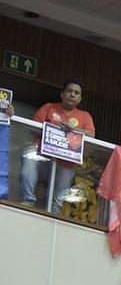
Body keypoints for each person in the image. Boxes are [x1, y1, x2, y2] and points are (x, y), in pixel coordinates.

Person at [21, 78, 96, 213]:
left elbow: (91, 136)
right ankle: (28, 200)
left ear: (80, 98)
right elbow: (33, 128)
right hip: (41, 156)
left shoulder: (85, 116)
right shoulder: (49, 107)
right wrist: (53, 127)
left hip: (65, 163)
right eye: (69, 91)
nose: (72, 94)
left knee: (59, 198)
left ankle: (55, 211)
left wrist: (73, 129)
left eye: (76, 93)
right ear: (62, 94)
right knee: (29, 154)